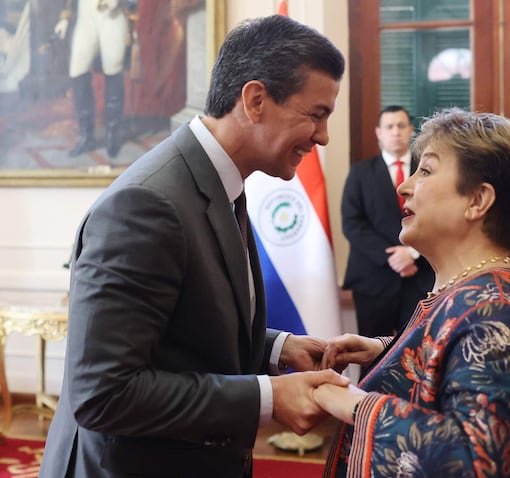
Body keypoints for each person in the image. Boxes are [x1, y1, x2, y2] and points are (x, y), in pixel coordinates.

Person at [39, 15, 350, 478]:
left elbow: (183, 325)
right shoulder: (144, 204)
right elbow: (103, 394)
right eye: (316, 114)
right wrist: (269, 396)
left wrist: (277, 348)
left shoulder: (219, 181)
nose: (323, 136)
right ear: (256, 100)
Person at [315, 108, 510, 477]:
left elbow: (481, 461)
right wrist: (387, 350)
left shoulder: (492, 311)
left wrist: (356, 404)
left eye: (426, 170)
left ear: (477, 201)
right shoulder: (472, 287)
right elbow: (451, 359)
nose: (405, 186)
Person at [341, 105, 435, 337]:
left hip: (420, 278)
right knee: (370, 358)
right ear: (379, 133)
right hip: (373, 281)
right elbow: (352, 223)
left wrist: (412, 253)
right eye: (389, 126)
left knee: (417, 356)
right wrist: (392, 257)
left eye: (401, 126)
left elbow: (439, 217)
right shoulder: (360, 173)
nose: (396, 132)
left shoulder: (429, 173)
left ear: (411, 130)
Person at [54, 0, 132, 157]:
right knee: (77, 71)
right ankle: (86, 136)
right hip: (86, 18)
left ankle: (112, 136)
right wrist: (65, 17)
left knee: (113, 70)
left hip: (113, 17)